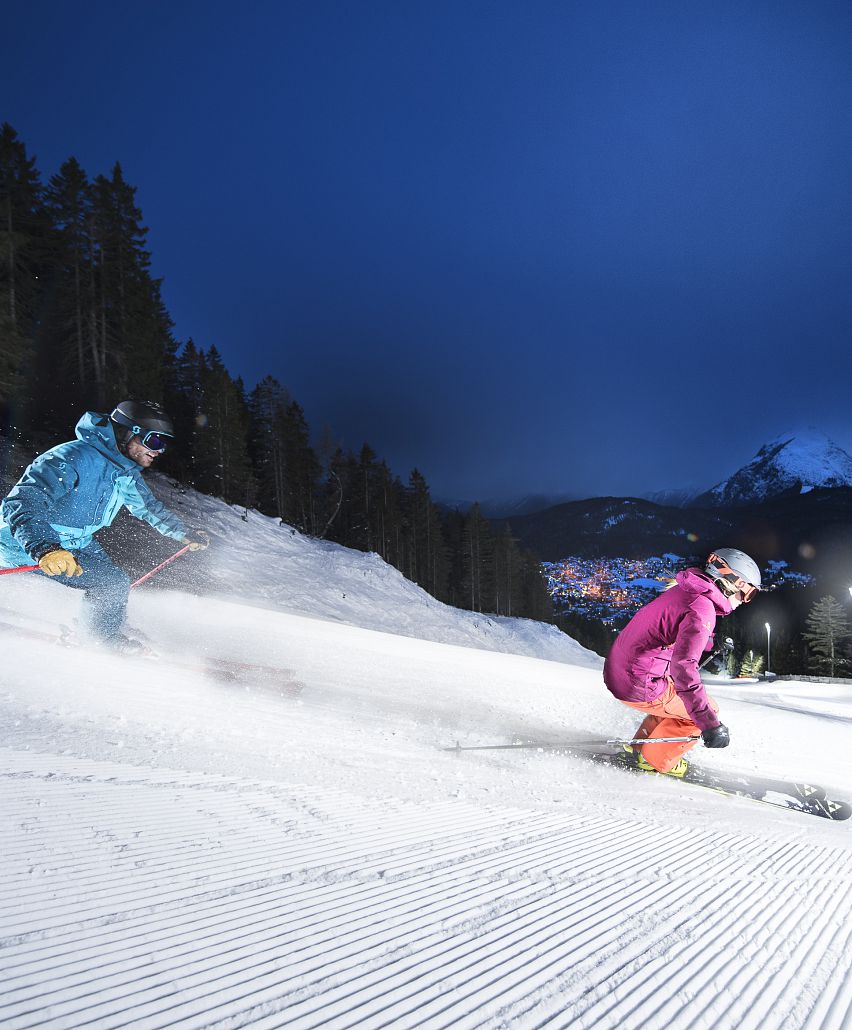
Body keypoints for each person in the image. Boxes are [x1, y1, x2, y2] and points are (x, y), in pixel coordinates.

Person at [0, 400, 207, 652]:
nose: (159, 450)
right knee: (112, 583)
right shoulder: (73, 457)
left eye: (164, 444)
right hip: (23, 540)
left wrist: (183, 533)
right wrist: (44, 548)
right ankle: (101, 643)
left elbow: (148, 507)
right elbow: (22, 501)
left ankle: (101, 625)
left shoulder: (125, 471)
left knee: (113, 583)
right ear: (127, 433)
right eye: (154, 441)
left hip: (76, 540)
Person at [603, 548, 761, 776]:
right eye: (747, 594)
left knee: (675, 702)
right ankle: (656, 760)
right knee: (705, 710)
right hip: (637, 683)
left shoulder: (687, 589)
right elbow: (683, 669)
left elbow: (674, 627)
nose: (745, 601)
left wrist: (709, 642)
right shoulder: (702, 609)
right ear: (733, 581)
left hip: (620, 670)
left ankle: (640, 747)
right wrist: (709, 724)